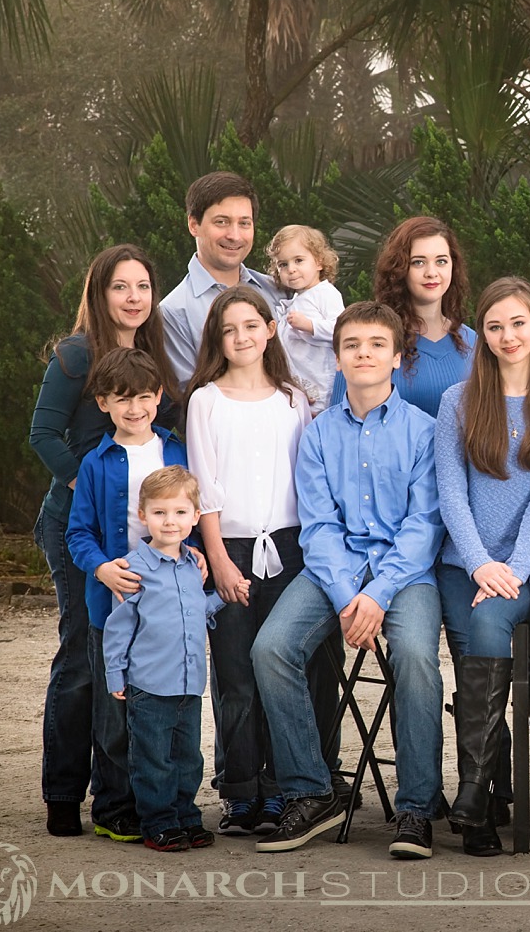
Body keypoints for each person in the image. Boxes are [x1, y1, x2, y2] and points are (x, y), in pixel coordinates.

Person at [251, 301, 446, 859]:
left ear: (396, 357)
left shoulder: (424, 432)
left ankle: (415, 809)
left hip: (405, 576)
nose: (364, 353)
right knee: (271, 649)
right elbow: (317, 527)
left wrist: (376, 595)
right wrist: (346, 598)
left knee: (413, 654)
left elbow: (424, 525)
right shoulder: (316, 435)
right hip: (333, 572)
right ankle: (312, 791)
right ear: (336, 360)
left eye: (376, 345)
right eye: (353, 345)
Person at [434, 277, 530, 855]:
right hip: (464, 566)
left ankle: (476, 795)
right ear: (483, 334)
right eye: (495, 326)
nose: (507, 336)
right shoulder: (459, 400)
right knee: (477, 666)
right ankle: (483, 807)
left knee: (496, 644)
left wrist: (512, 570)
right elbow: (451, 493)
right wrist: (479, 564)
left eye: (518, 323)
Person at [29, 244, 175, 839]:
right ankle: (64, 794)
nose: (133, 297)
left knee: (131, 661)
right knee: (83, 658)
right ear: (99, 292)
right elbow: (43, 434)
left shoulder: (153, 355)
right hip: (77, 524)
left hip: (141, 534)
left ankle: (127, 795)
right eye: (121, 286)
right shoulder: (76, 354)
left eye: (142, 286)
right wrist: (91, 484)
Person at [184, 286, 313, 837]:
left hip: (287, 548)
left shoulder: (292, 400)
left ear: (270, 330)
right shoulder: (205, 401)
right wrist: (217, 557)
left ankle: (283, 788)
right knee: (235, 672)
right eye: (229, 329)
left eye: (251, 325)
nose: (241, 337)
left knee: (280, 668)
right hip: (229, 548)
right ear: (218, 338)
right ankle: (240, 790)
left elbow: (305, 481)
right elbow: (204, 486)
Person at [65, 346, 189, 844]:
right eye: (122, 399)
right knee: (115, 707)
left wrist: (197, 551)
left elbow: (191, 510)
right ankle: (115, 806)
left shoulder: (174, 450)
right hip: (115, 604)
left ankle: (163, 802)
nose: (134, 408)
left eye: (143, 397)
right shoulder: (96, 463)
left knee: (162, 709)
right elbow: (79, 534)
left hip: (167, 608)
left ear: (158, 396)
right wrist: (102, 570)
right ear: (103, 403)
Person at [102, 466, 224, 852]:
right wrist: (115, 674)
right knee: (153, 759)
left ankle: (187, 817)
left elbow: (195, 610)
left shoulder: (194, 566)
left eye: (179, 512)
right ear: (143, 516)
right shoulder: (133, 570)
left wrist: (226, 595)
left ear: (195, 517)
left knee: (188, 757)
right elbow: (118, 627)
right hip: (149, 684)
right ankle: (158, 823)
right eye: (159, 512)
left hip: (189, 683)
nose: (170, 521)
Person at [328, 215, 475, 419]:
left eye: (441, 261)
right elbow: (338, 423)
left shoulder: (474, 343)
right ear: (399, 269)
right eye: (418, 262)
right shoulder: (369, 342)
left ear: (453, 266)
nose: (432, 272)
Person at [159, 172, 278, 385]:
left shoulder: (277, 291)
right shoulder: (174, 311)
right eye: (222, 222)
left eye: (244, 223)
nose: (234, 235)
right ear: (193, 225)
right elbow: (188, 394)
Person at [266, 224, 344, 413]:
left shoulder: (325, 293)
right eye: (283, 264)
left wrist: (310, 326)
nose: (291, 269)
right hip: (296, 382)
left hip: (320, 382)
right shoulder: (295, 299)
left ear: (319, 262)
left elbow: (342, 329)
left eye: (299, 260)